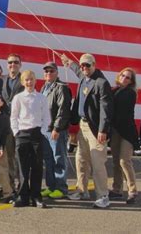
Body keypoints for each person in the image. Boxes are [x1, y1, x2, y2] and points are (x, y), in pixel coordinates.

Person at [61, 53, 113, 209]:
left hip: (96, 128)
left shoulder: (101, 83)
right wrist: (70, 63)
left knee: (97, 163)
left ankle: (103, 196)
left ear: (94, 65)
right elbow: (78, 71)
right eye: (82, 65)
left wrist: (103, 130)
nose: (84, 68)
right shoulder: (84, 77)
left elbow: (106, 109)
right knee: (81, 160)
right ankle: (82, 190)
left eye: (87, 65)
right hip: (83, 126)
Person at [10, 70, 48, 208]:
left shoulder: (41, 98)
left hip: (37, 134)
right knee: (22, 167)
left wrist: (43, 131)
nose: (29, 82)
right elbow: (13, 116)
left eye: (31, 79)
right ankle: (22, 196)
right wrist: (16, 132)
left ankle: (36, 197)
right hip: (22, 134)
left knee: (37, 166)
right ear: (22, 82)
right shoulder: (18, 98)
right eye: (26, 80)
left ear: (35, 80)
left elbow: (46, 117)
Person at [40, 62, 72, 199]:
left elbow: (63, 110)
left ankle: (61, 187)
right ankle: (51, 186)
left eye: (51, 71)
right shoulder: (44, 87)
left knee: (59, 158)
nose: (48, 73)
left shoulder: (61, 88)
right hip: (45, 130)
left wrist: (57, 128)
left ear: (57, 72)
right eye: (46, 71)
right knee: (48, 160)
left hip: (56, 130)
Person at [109, 68, 139, 204]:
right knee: (115, 161)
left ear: (131, 81)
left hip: (127, 131)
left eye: (128, 77)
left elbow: (120, 109)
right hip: (115, 130)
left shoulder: (130, 93)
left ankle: (132, 190)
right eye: (122, 75)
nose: (124, 78)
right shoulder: (113, 90)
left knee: (124, 161)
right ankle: (117, 189)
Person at [1, 53, 24, 189]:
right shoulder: (2, 80)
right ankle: (10, 185)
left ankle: (21, 184)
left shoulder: (24, 79)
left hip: (21, 123)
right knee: (9, 156)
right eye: (10, 62)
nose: (12, 65)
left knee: (20, 156)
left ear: (20, 64)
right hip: (6, 124)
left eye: (15, 62)